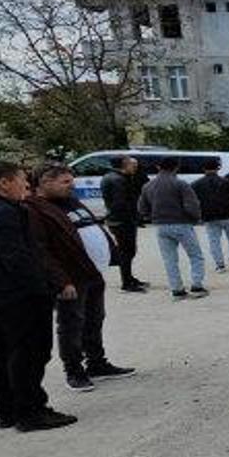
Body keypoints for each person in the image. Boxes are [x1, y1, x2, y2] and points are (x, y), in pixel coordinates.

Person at [0, 161, 77, 431]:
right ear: (4, 182)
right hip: (16, 294)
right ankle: (30, 411)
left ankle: (7, 410)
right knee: (29, 351)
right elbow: (17, 259)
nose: (26, 185)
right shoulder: (3, 212)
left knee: (2, 348)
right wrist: (43, 290)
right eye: (20, 180)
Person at [27, 165, 135, 392]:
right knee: (71, 325)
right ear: (45, 182)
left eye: (71, 181)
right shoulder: (36, 209)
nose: (72, 186)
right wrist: (61, 280)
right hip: (70, 278)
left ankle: (97, 363)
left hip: (92, 273)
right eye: (65, 182)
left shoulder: (71, 201)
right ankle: (74, 371)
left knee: (95, 319)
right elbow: (41, 250)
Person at [138, 156, 207, 299]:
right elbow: (191, 205)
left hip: (160, 226)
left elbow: (141, 208)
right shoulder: (180, 184)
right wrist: (196, 218)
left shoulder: (148, 186)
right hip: (181, 224)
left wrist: (151, 216)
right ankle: (197, 286)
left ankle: (177, 289)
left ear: (159, 167)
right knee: (195, 255)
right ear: (176, 167)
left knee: (170, 259)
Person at [99, 156, 148, 292]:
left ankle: (129, 277)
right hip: (122, 220)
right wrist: (133, 215)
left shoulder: (111, 177)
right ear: (124, 165)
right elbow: (121, 203)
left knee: (127, 250)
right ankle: (126, 282)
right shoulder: (118, 180)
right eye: (132, 165)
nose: (135, 168)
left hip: (118, 219)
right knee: (127, 251)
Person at [191, 159, 229, 273]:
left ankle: (220, 265)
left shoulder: (196, 184)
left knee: (214, 241)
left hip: (209, 216)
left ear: (204, 169)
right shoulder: (226, 182)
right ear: (217, 169)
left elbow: (193, 201)